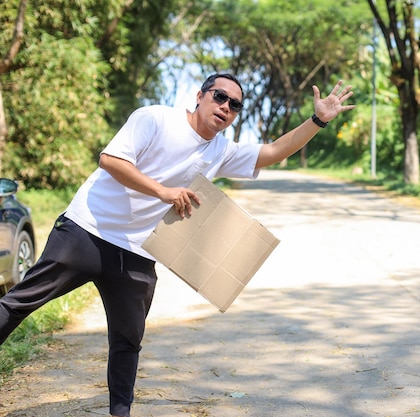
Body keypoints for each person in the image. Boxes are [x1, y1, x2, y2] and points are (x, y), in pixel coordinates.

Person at [0, 73, 354, 417]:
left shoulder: (221, 150)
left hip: (137, 252)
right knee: (19, 303)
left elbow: (275, 151)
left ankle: (119, 413)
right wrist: (163, 192)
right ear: (200, 96)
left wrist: (317, 121)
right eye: (219, 96)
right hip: (87, 229)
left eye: (235, 105)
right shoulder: (154, 119)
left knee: (128, 340)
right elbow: (110, 160)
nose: (226, 106)